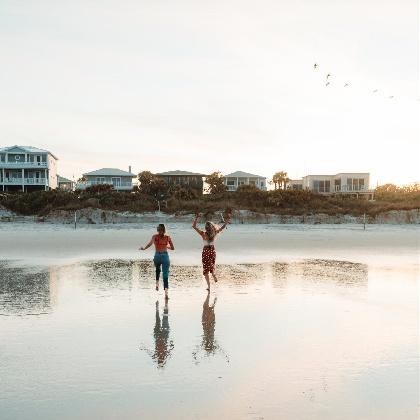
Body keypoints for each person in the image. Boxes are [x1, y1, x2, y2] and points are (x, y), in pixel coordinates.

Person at [192, 213, 230, 290]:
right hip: (212, 250)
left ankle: (209, 286)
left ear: (206, 228)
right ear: (212, 227)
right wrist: (226, 222)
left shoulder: (203, 234)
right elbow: (222, 227)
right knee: (211, 264)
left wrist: (196, 218)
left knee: (206, 268)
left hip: (206, 250)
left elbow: (194, 226)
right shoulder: (214, 233)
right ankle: (213, 274)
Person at [140, 223, 174, 299]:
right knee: (165, 275)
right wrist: (166, 246)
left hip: (157, 256)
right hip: (165, 256)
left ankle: (157, 284)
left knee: (158, 269)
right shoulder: (168, 238)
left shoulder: (154, 237)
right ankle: (166, 294)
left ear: (158, 230)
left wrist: (144, 248)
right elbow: (173, 248)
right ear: (164, 230)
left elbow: (150, 244)